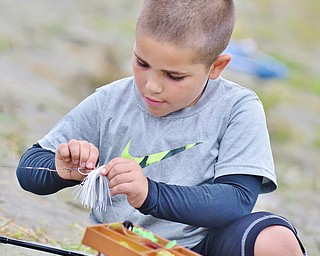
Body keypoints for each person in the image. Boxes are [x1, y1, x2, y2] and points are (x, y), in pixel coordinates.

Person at [16, 0, 306, 255]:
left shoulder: (238, 108)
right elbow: (28, 168)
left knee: (276, 241)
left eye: (174, 76)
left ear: (216, 67)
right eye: (142, 63)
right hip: (125, 244)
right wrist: (60, 170)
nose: (152, 86)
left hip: (205, 245)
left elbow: (237, 200)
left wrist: (150, 194)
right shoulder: (110, 101)